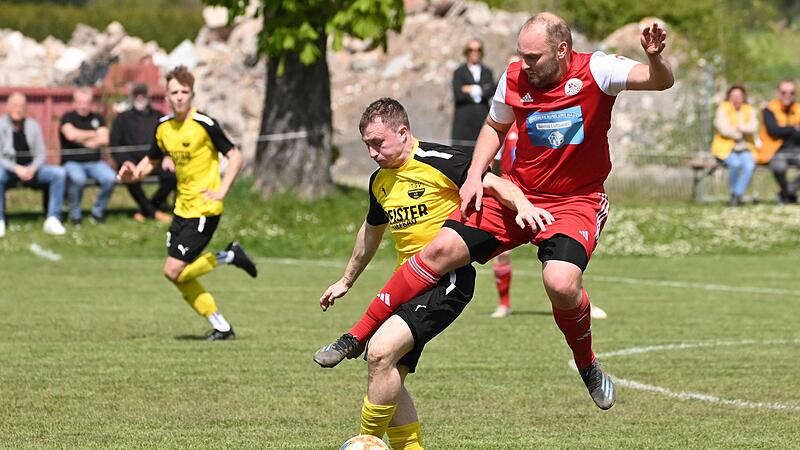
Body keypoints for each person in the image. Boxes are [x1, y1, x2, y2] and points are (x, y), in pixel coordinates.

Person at [316, 13, 674, 411]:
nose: (524, 64)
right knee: (439, 249)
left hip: (575, 201)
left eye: (533, 57)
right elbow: (494, 126)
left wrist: (654, 58)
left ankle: (586, 364)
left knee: (560, 283)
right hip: (517, 191)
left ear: (562, 50)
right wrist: (474, 176)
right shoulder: (514, 77)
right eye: (521, 54)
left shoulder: (599, 70)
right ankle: (356, 335)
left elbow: (659, 81)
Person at [316, 98, 552, 448]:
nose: (372, 153)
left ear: (403, 132)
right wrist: (346, 280)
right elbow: (370, 232)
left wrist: (523, 206)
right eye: (367, 145)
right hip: (405, 284)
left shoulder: (440, 160)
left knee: (379, 351)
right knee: (386, 367)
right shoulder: (379, 181)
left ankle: (366, 442)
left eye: (378, 143)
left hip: (447, 280)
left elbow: (495, 183)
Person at [117, 65, 258, 340]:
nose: (179, 97)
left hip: (205, 209)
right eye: (174, 92)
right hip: (181, 209)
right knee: (176, 275)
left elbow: (235, 156)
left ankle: (229, 256)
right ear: (166, 96)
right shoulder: (163, 128)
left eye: (184, 92)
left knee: (173, 269)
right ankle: (221, 326)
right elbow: (151, 161)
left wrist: (222, 190)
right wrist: (132, 174)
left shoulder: (204, 124)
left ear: (192, 94)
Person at [488, 120, 609, 319]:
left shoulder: (545, 121)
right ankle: (504, 304)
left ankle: (581, 301)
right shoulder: (505, 127)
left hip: (553, 198)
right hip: (514, 196)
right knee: (502, 254)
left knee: (566, 258)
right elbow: (492, 158)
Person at [0, 92, 67, 236]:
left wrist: (33, 168)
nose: (18, 109)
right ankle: (0, 220)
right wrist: (16, 168)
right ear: (8, 107)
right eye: (15, 105)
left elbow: (40, 153)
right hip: (8, 170)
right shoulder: (1, 125)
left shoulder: (33, 125)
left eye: (22, 106)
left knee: (59, 174)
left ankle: (53, 219)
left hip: (31, 169)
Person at [110, 83, 175, 223]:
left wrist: (167, 157)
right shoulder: (122, 118)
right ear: (132, 97)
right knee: (130, 177)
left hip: (154, 161)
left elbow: (168, 140)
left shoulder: (159, 117)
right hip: (131, 162)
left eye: (143, 95)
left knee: (172, 175)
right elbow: (114, 145)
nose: (140, 98)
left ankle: (147, 209)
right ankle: (154, 213)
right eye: (136, 95)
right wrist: (125, 162)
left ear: (148, 96)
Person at [59, 87, 117, 225]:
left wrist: (80, 137)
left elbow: (105, 139)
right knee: (78, 179)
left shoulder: (98, 118)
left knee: (110, 178)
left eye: (86, 102)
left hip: (95, 162)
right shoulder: (67, 117)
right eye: (80, 102)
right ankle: (75, 215)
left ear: (91, 103)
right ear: (74, 103)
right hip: (72, 162)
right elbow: (70, 135)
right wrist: (94, 133)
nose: (83, 106)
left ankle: (97, 213)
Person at [710, 85, 758, 206]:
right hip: (725, 148)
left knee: (749, 165)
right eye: (734, 95)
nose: (736, 98)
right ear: (729, 96)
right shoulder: (723, 109)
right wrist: (741, 133)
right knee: (735, 164)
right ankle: (734, 194)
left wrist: (738, 127)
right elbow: (723, 129)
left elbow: (754, 127)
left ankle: (737, 194)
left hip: (745, 147)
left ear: (744, 97)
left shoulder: (749, 109)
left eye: (739, 95)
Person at [758, 79, 800, 204]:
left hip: (796, 150)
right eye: (784, 92)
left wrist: (784, 130)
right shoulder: (769, 110)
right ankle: (787, 193)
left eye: (791, 92)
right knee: (779, 168)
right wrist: (793, 129)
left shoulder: (798, 109)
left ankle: (786, 192)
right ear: (778, 93)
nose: (788, 95)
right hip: (775, 151)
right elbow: (774, 131)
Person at [451, 38, 495, 152]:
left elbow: (491, 90)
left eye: (478, 49)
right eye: (471, 49)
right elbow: (458, 94)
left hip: (482, 120)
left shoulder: (487, 72)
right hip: (464, 124)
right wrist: (482, 89)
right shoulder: (459, 72)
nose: (475, 52)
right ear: (466, 51)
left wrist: (472, 89)